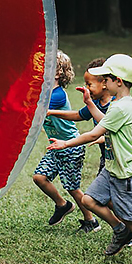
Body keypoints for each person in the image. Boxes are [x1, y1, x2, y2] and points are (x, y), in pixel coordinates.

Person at [47, 54, 132, 264]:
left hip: (127, 171)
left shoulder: (121, 106)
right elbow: (103, 120)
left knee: (130, 217)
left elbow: (93, 133)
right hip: (112, 169)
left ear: (118, 81)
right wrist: (90, 103)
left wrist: (66, 143)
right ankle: (120, 231)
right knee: (88, 200)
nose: (105, 85)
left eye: (106, 80)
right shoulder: (120, 103)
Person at [47, 57, 115, 232]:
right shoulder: (97, 103)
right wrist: (51, 112)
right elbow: (79, 115)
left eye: (89, 84)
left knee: (102, 198)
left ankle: (124, 226)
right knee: (103, 198)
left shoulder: (117, 105)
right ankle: (125, 225)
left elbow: (100, 131)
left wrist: (68, 143)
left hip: (120, 158)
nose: (86, 88)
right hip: (106, 157)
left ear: (105, 83)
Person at [32, 50, 92, 228]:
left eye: (45, 66)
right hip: (55, 146)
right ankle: (62, 205)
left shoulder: (57, 96)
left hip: (71, 147)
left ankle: (91, 220)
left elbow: (35, 109)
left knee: (73, 187)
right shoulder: (43, 92)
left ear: (57, 73)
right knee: (39, 177)